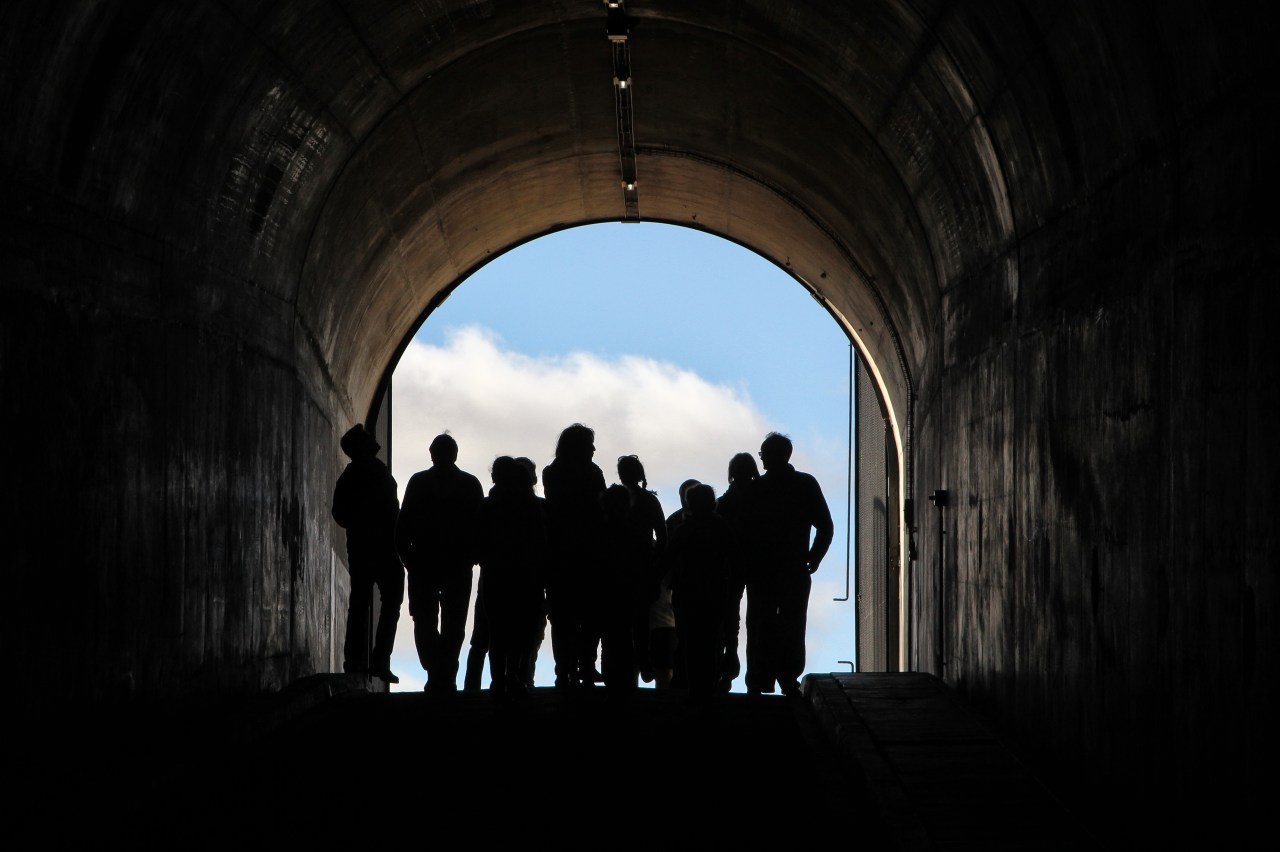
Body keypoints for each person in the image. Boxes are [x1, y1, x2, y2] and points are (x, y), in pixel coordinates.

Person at [745, 433, 833, 697]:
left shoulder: (756, 489)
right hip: (794, 568)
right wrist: (813, 557)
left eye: (762, 453)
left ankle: (759, 679)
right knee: (793, 624)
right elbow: (825, 527)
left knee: (760, 624)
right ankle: (787, 678)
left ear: (771, 456)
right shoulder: (805, 484)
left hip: (761, 571)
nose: (760, 458)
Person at [395, 433, 484, 693]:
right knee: (449, 622)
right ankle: (444, 670)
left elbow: (403, 525)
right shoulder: (470, 484)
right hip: (453, 565)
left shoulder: (419, 482)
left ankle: (438, 670)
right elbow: (480, 525)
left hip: (426, 564)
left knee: (426, 620)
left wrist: (408, 558)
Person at [331, 424, 404, 683]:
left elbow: (339, 513)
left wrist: (359, 524)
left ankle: (356, 662)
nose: (373, 439)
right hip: (385, 549)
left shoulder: (351, 476)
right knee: (388, 604)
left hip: (363, 549)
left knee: (360, 604)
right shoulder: (376, 473)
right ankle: (378, 661)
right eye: (366, 437)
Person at [475, 456, 548, 700]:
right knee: (523, 630)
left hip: (495, 576)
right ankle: (516, 676)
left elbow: (479, 541)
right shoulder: (534, 507)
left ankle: (498, 680)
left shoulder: (487, 506)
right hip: (528, 576)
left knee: (498, 630)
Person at [541, 424, 607, 688]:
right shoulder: (593, 473)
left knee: (562, 617)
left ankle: (564, 669)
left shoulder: (551, 473)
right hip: (588, 554)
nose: (593, 449)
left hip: (560, 555)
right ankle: (586, 666)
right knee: (590, 615)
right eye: (589, 444)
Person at [665, 483, 735, 701]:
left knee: (688, 640)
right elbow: (736, 558)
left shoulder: (684, 529)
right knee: (712, 639)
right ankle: (708, 686)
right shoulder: (722, 527)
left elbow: (667, 559)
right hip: (715, 590)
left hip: (687, 591)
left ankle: (689, 684)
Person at [615, 455, 667, 684]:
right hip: (644, 568)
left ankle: (625, 668)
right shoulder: (650, 501)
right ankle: (643, 662)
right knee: (641, 621)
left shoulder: (614, 499)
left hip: (619, 568)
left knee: (622, 622)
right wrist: (656, 566)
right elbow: (662, 536)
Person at [715, 452, 760, 691]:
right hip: (760, 563)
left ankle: (727, 669)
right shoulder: (763, 495)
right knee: (759, 619)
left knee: (729, 618)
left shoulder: (725, 502)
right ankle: (757, 676)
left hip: (730, 566)